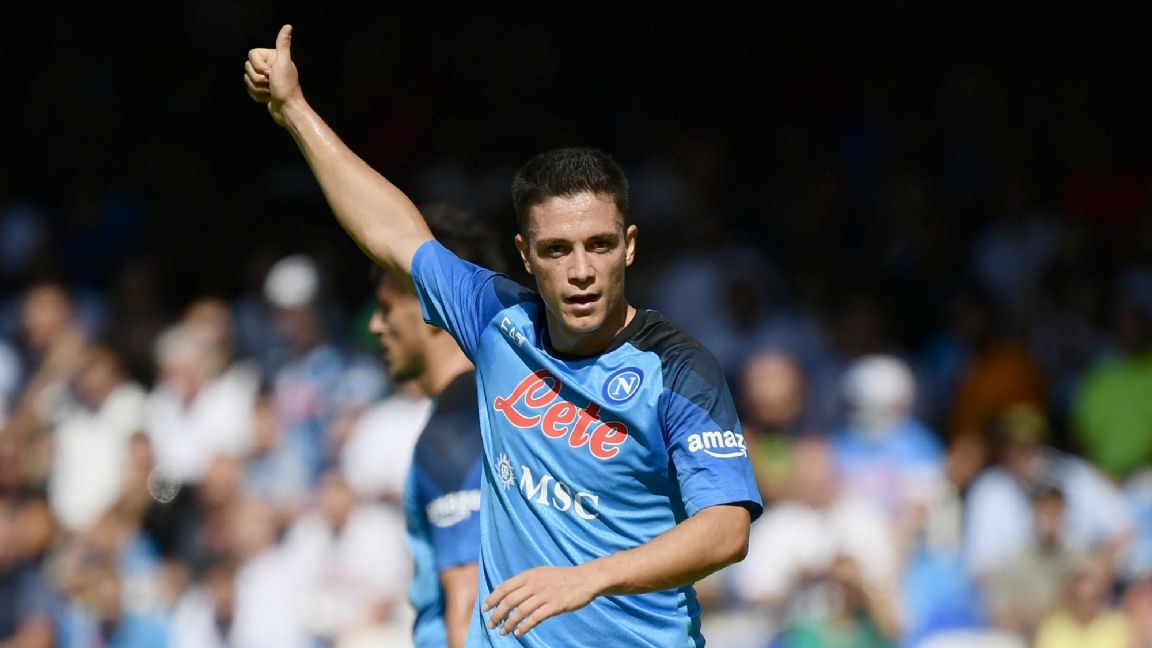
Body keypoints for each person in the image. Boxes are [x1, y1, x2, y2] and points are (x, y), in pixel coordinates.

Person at [245, 25, 762, 646]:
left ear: (628, 247)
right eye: (557, 250)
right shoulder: (499, 322)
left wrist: (589, 578)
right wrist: (294, 111)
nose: (581, 270)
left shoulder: (678, 368)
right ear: (525, 255)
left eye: (599, 245)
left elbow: (726, 529)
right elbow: (393, 233)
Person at [367, 203, 504, 648]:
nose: (376, 325)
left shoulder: (452, 432)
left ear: (430, 306)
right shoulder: (494, 407)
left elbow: (470, 604)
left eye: (386, 308)